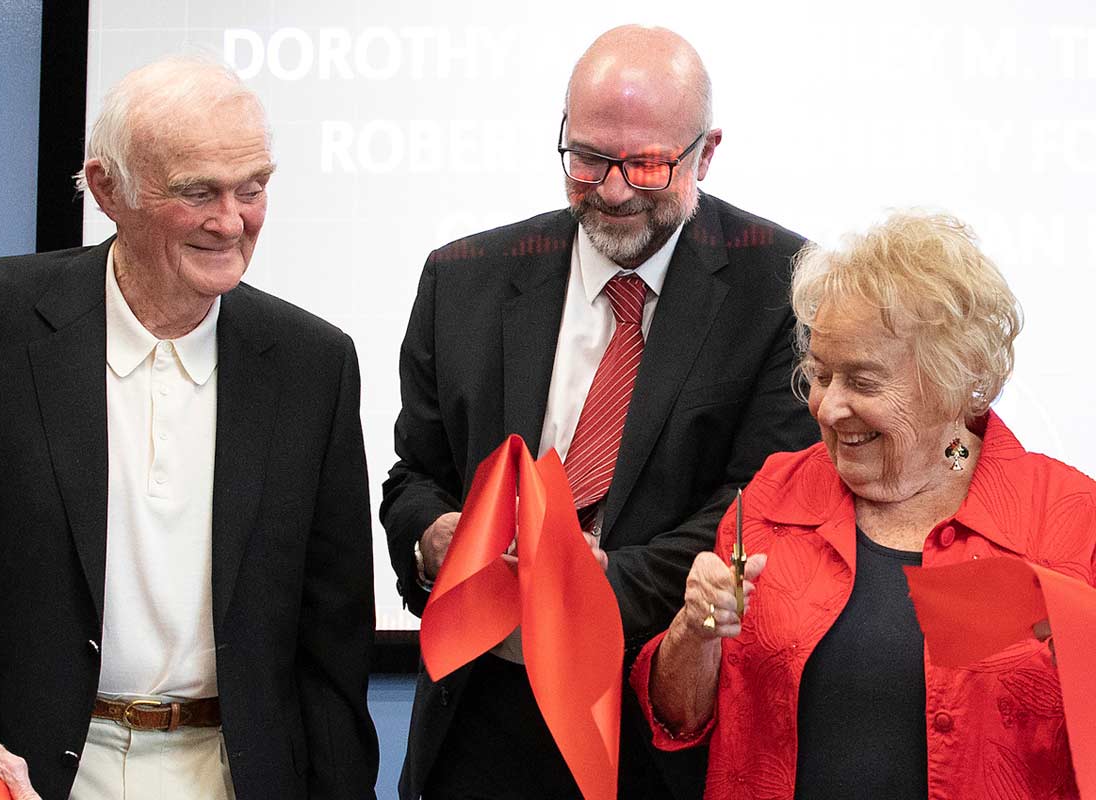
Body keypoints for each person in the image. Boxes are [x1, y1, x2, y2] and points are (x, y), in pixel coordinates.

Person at [0, 56, 378, 800]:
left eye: (253, 188)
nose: (231, 221)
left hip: (233, 774)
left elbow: (332, 641)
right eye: (198, 193)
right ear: (106, 189)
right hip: (28, 774)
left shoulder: (314, 365)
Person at [381, 24, 819, 800]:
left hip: (661, 711)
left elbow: (760, 504)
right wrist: (430, 538)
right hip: (482, 714)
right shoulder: (463, 280)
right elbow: (416, 473)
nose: (612, 191)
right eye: (587, 159)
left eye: (647, 165)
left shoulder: (780, 288)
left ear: (705, 153)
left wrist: (601, 582)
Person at [633, 211, 1094, 799]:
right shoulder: (773, 500)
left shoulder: (1069, 522)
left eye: (864, 382)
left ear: (952, 380)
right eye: (820, 375)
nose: (827, 407)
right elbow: (681, 720)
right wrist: (693, 633)